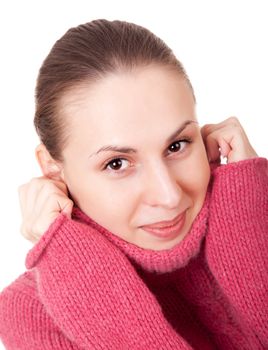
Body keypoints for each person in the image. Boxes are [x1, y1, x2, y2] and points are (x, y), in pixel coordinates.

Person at [0, 18, 267, 350]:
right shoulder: (30, 312)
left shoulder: (254, 215)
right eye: (117, 163)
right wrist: (79, 273)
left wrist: (248, 220)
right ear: (53, 169)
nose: (169, 196)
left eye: (177, 145)